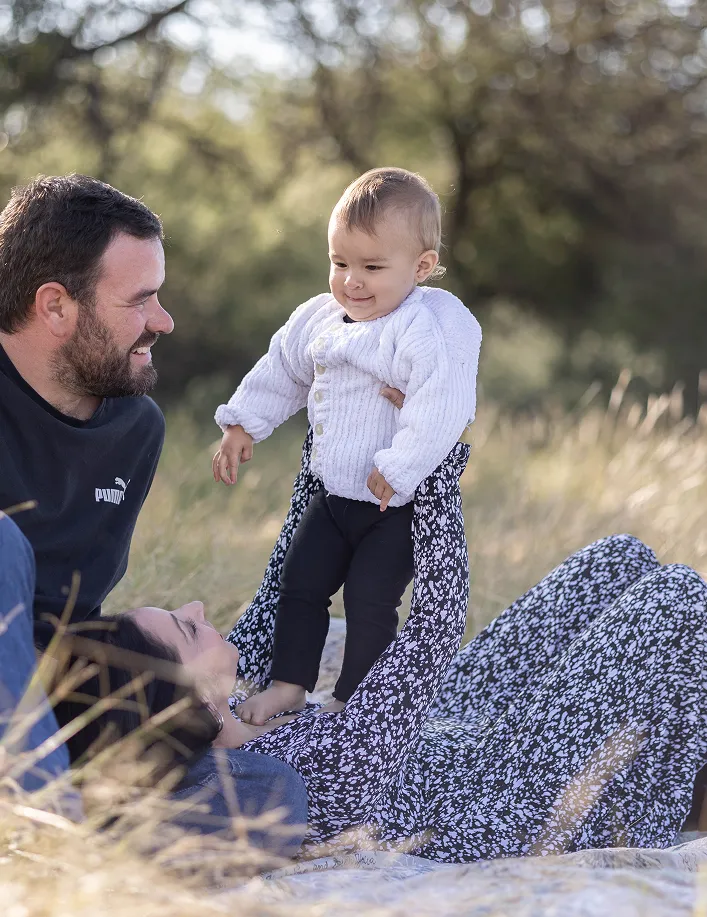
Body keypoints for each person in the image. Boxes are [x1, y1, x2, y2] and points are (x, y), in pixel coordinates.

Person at [87, 433, 707, 862]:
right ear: (195, 702)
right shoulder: (312, 772)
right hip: (523, 792)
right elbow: (432, 627)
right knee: (676, 597)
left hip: (453, 732)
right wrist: (433, 474)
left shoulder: (237, 698)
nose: (199, 611)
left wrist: (329, 448)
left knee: (618, 558)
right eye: (187, 627)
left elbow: (286, 582)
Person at [0, 174, 307, 853]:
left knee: (267, 792)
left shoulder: (135, 428)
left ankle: (57, 833)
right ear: (55, 306)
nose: (163, 320)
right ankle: (45, 823)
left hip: (54, 716)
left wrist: (184, 703)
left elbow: (75, 622)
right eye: (140, 300)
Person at [212, 167, 482, 724]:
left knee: (369, 602)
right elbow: (282, 371)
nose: (352, 281)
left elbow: (442, 402)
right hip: (332, 493)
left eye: (372, 267)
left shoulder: (422, 327)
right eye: (340, 263)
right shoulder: (319, 319)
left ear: (422, 267)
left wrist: (401, 464)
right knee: (299, 583)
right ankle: (288, 685)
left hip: (395, 505)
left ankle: (352, 699)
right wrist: (243, 424)